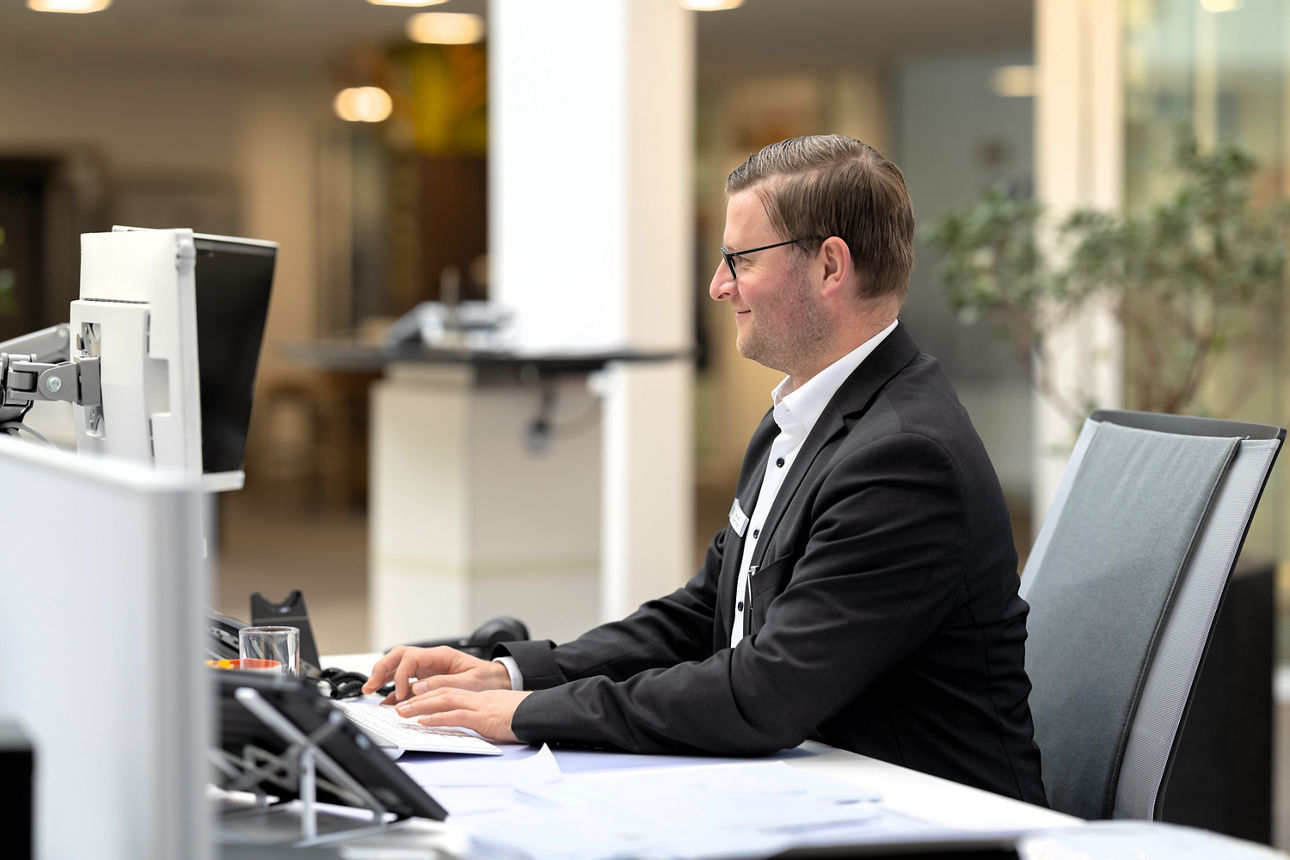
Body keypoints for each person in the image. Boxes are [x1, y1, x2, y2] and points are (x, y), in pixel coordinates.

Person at [362, 134, 1047, 805]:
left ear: (830, 267)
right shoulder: (801, 419)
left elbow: (763, 695)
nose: (719, 286)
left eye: (739, 260)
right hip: (819, 787)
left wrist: (526, 713)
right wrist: (511, 675)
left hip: (929, 818)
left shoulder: (904, 458)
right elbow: (703, 614)